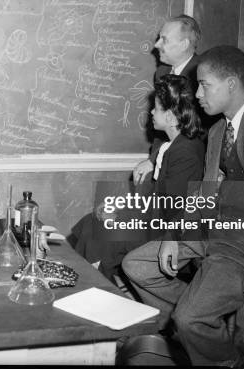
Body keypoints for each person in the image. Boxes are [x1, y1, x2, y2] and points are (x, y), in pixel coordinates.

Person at [122, 46, 244, 369]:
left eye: (204, 84)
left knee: (190, 316)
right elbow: (205, 192)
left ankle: (228, 360)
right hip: (213, 230)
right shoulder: (217, 131)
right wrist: (172, 233)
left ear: (232, 83)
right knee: (137, 266)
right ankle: (197, 332)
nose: (196, 94)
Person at [70, 75, 204, 282]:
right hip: (154, 220)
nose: (151, 112)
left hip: (166, 230)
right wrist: (117, 206)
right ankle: (89, 282)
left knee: (100, 233)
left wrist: (122, 217)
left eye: (156, 108)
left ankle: (92, 286)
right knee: (92, 223)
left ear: (169, 117)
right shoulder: (170, 146)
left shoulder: (185, 151)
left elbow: (173, 207)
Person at [133, 14, 204, 186]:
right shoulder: (162, 73)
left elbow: (205, 129)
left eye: (163, 40)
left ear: (184, 44)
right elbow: (163, 123)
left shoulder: (204, 73)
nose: (156, 45)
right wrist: (154, 159)